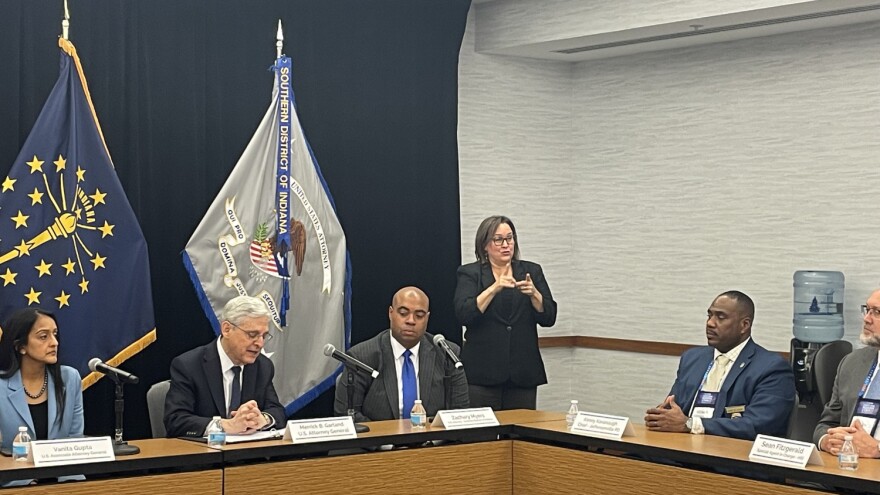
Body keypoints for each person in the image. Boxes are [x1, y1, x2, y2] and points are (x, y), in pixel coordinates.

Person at [644, 291, 795, 440]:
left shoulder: (771, 368)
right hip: (682, 449)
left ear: (744, 325)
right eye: (709, 315)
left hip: (729, 457)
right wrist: (661, 417)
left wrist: (691, 425)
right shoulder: (692, 358)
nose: (710, 323)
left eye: (720, 317)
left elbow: (757, 425)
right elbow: (672, 408)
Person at [453, 215, 556, 410]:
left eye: (510, 238)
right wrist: (494, 288)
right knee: (484, 437)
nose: (506, 245)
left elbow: (549, 317)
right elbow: (463, 314)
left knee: (520, 435)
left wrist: (535, 294)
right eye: (498, 239)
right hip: (482, 374)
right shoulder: (470, 273)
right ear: (485, 245)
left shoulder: (531, 271)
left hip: (522, 373)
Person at [334, 286, 469, 422]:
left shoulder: (447, 354)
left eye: (419, 315)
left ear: (427, 318)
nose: (411, 320)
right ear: (390, 313)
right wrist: (386, 441)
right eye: (403, 313)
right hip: (381, 441)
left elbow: (460, 411)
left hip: (433, 441)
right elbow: (347, 415)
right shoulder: (362, 356)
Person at [164, 295, 286, 438]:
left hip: (246, 456)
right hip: (204, 456)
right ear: (227, 329)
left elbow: (277, 411)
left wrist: (262, 419)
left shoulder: (263, 366)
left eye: (263, 336)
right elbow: (176, 421)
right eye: (252, 334)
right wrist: (226, 425)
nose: (260, 343)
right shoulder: (188, 365)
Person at [0, 308, 84, 486]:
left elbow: (75, 439)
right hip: (14, 485)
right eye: (43, 336)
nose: (54, 343)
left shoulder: (70, 379)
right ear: (20, 346)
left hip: (66, 482)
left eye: (55, 334)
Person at [814, 289, 880, 457]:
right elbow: (825, 425)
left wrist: (877, 449)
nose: (866, 319)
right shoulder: (851, 362)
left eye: (877, 312)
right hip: (846, 470)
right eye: (867, 309)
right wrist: (826, 441)